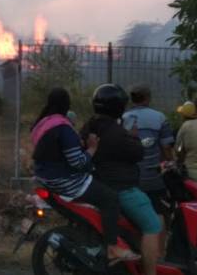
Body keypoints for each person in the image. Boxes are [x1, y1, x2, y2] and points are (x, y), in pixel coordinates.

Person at [31, 87, 140, 264]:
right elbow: (78, 162)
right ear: (67, 106)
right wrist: (92, 149)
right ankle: (113, 247)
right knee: (110, 198)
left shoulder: (42, 123)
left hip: (45, 178)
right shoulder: (63, 127)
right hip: (64, 181)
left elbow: (52, 152)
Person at [80, 84, 161, 275]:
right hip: (122, 189)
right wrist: (133, 137)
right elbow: (139, 152)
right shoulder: (116, 132)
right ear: (119, 107)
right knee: (153, 225)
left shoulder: (89, 126)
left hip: (97, 185)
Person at [121, 84, 175, 254]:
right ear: (147, 98)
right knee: (158, 212)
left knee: (134, 215)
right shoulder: (160, 118)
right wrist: (170, 162)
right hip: (153, 177)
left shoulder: (123, 118)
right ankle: (158, 254)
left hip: (131, 178)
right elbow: (167, 147)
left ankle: (138, 251)